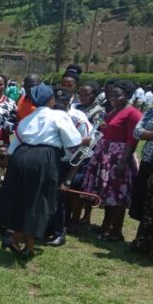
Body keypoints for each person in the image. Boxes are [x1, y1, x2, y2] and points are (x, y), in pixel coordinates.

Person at [0, 84, 82, 258]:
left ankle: (29, 247)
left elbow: (14, 146)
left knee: (25, 200)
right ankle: (14, 237)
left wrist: (6, 165)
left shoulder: (27, 119)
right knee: (41, 201)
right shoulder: (59, 116)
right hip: (44, 158)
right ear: (51, 100)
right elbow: (73, 142)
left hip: (20, 157)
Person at [82, 80, 142, 242]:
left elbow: (132, 140)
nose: (112, 98)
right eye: (111, 94)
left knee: (118, 196)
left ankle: (116, 231)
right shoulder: (114, 110)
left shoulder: (133, 113)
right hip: (106, 156)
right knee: (108, 194)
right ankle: (105, 226)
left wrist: (123, 162)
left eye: (117, 95)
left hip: (119, 158)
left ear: (128, 96)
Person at [44, 87, 92, 246]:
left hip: (71, 164)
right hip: (52, 161)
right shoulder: (48, 115)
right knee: (51, 197)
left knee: (62, 199)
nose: (58, 106)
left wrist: (69, 179)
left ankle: (60, 232)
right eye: (55, 103)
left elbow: (83, 150)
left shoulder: (78, 118)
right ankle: (48, 228)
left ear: (69, 102)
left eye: (63, 103)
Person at [69, 81, 106, 229]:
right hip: (70, 148)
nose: (82, 97)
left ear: (94, 95)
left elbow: (95, 134)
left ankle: (76, 220)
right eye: (80, 94)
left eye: (86, 94)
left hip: (85, 153)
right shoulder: (75, 107)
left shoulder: (98, 111)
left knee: (77, 186)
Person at [130, 108, 153, 253]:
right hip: (148, 161)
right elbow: (137, 131)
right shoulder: (151, 112)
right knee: (145, 201)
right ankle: (142, 242)